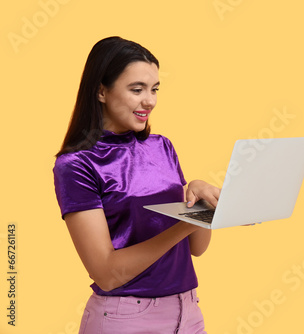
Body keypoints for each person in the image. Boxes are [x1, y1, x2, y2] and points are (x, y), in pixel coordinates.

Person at [53, 36, 219, 333]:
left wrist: (202, 202)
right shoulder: (76, 165)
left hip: (189, 312)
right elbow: (105, 274)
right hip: (126, 319)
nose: (150, 101)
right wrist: (187, 222)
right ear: (101, 91)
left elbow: (197, 248)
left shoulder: (162, 147)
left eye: (154, 89)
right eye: (137, 89)